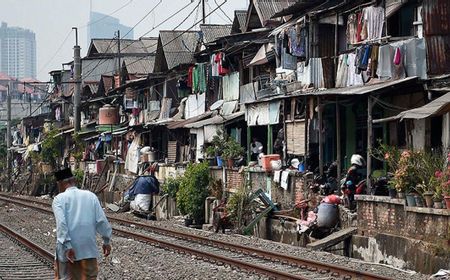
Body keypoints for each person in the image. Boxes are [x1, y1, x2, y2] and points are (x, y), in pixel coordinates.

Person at [52, 168, 112, 280]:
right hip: (88, 249)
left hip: (67, 251)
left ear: (60, 183)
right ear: (74, 180)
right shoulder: (91, 196)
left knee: (66, 278)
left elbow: (62, 225)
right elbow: (102, 221)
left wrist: (68, 246)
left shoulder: (59, 199)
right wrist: (106, 241)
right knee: (89, 277)